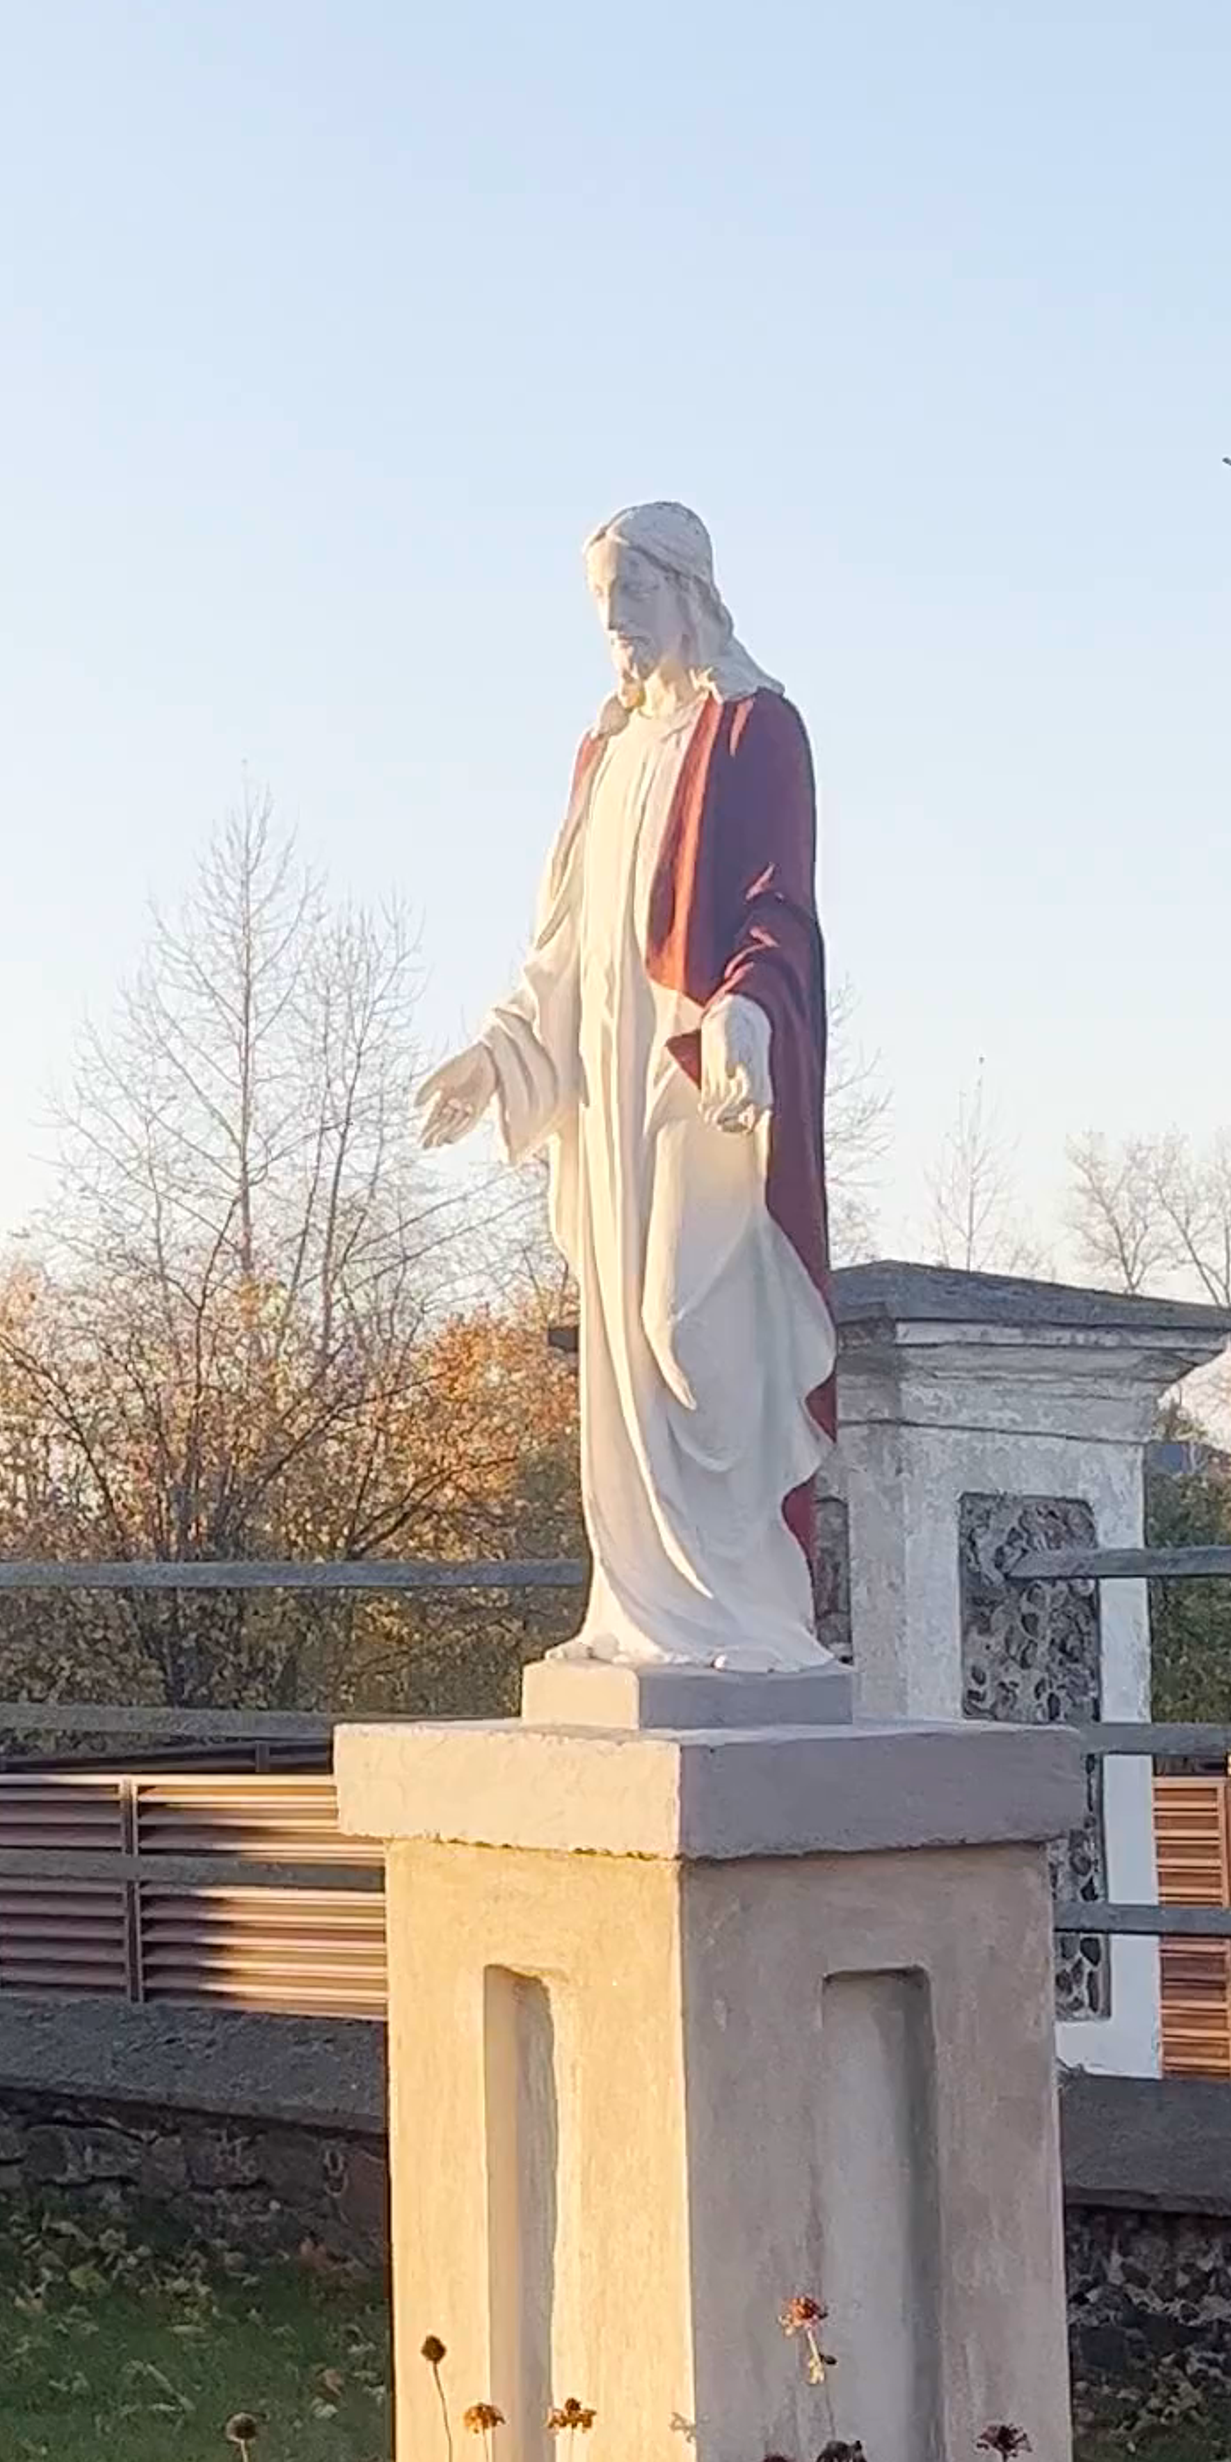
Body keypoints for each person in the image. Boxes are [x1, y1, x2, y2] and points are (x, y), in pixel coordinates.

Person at [416, 503, 837, 1684]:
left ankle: (744, 1610)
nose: (613, 623)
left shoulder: (756, 729)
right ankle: (642, 1611)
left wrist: (747, 1012)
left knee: (687, 1325)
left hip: (697, 1081)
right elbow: (562, 948)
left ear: (687, 591)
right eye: (601, 601)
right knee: (621, 1344)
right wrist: (499, 1052)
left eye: (632, 595)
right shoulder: (603, 755)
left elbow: (777, 909)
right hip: (604, 1096)